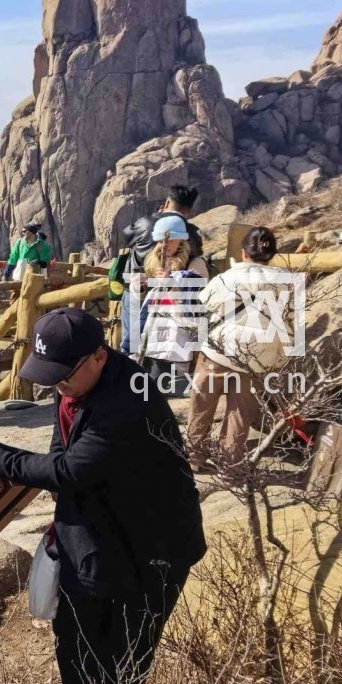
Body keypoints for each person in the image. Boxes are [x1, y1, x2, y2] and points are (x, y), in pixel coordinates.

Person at [0, 307, 206, 684]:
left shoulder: (127, 400)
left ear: (98, 356)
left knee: (121, 654)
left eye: (63, 375)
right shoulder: (74, 381)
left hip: (151, 547)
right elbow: (61, 446)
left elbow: (69, 471)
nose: (57, 385)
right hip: (98, 532)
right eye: (50, 375)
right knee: (74, 637)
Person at [187, 227, 293, 472]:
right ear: (272, 254)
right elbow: (291, 322)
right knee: (240, 413)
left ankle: (194, 457)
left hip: (219, 352)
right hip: (256, 358)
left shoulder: (229, 277)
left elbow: (206, 301)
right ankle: (231, 465)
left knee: (202, 404)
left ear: (244, 252)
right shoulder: (287, 281)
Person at [120, 185, 203, 353]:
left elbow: (126, 235)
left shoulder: (144, 222)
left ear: (166, 203)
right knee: (159, 347)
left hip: (138, 289)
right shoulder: (192, 234)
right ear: (189, 210)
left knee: (132, 344)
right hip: (170, 299)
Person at [138, 216, 209, 395]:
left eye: (169, 241)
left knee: (171, 387)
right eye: (160, 241)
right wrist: (143, 287)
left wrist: (171, 282)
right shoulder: (156, 262)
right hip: (155, 333)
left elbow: (195, 299)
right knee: (151, 385)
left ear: (181, 241)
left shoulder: (195, 264)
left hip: (179, 335)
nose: (164, 245)